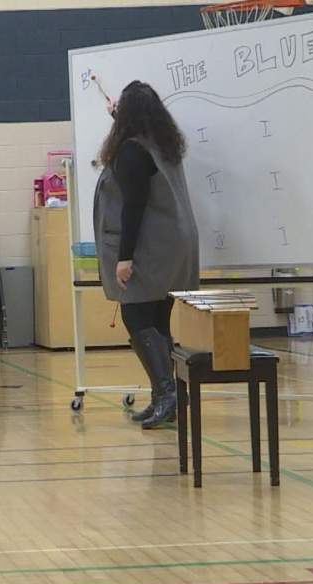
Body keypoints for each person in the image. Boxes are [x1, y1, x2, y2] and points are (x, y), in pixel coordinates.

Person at [94, 80, 199, 428]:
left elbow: (133, 207)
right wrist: (116, 117)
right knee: (156, 319)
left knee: (136, 318)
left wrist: (124, 258)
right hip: (175, 245)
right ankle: (164, 396)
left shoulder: (130, 152)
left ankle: (167, 394)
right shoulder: (161, 144)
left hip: (151, 247)